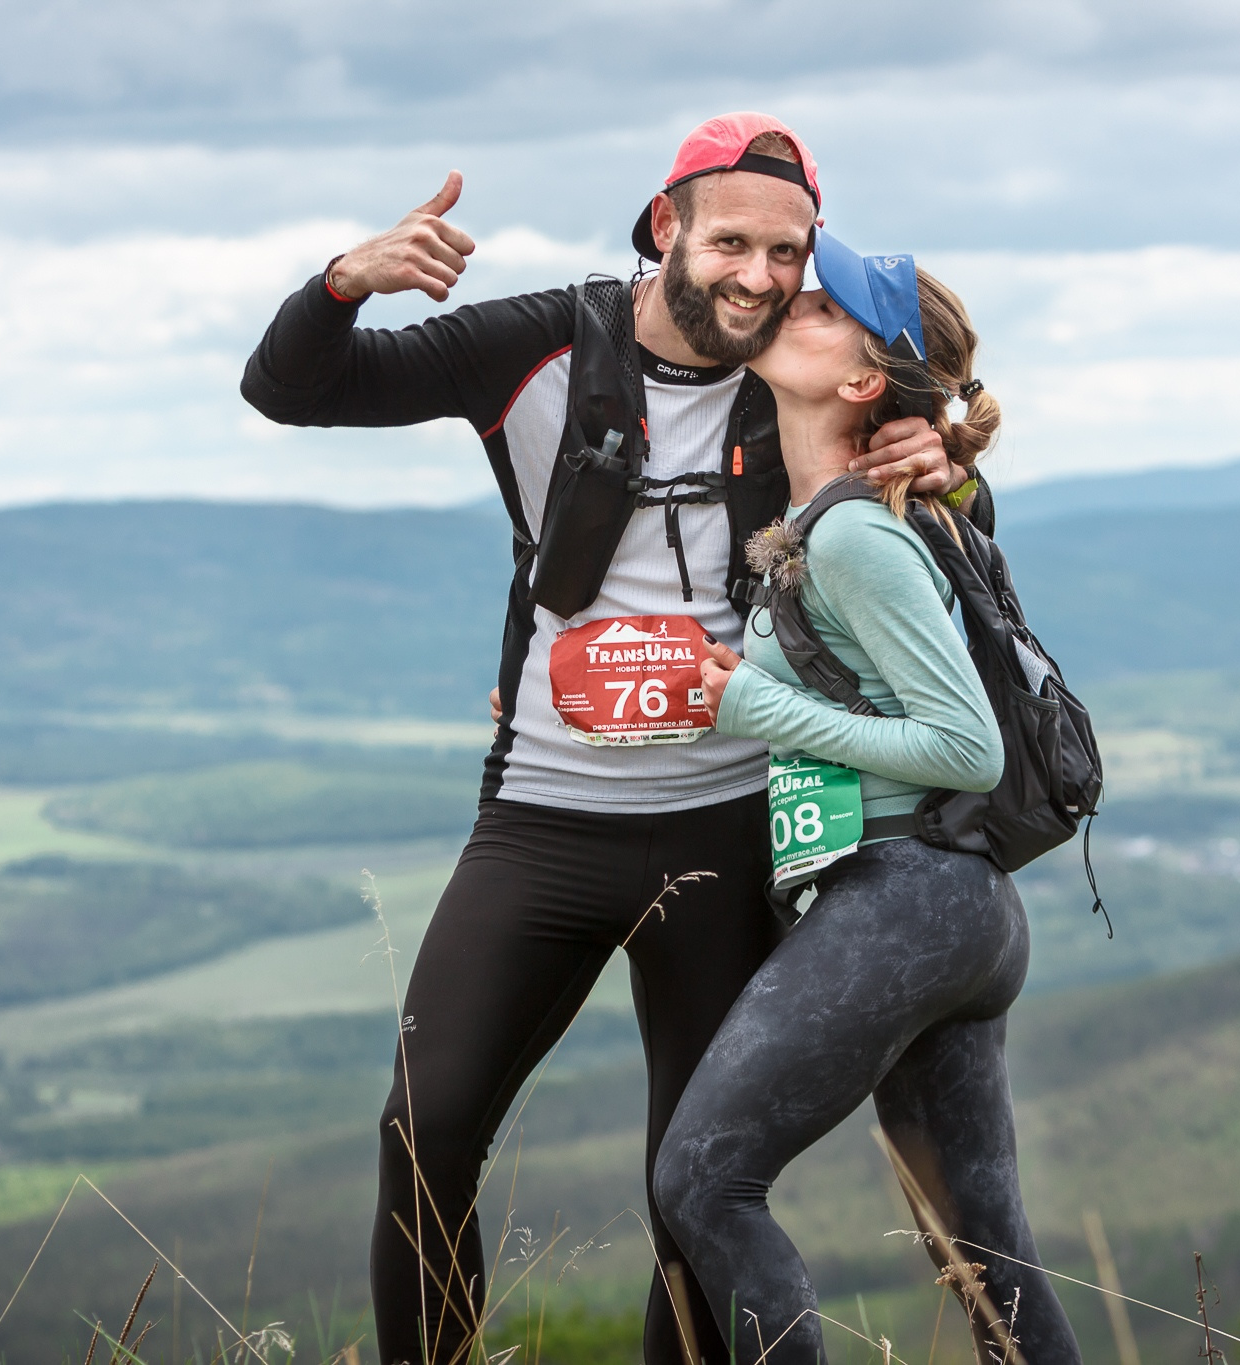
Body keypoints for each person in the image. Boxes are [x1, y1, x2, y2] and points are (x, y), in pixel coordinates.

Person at [239, 114, 976, 1365]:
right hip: (539, 817)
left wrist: (939, 455)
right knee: (424, 1134)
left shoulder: (800, 365)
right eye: (731, 240)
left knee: (688, 1187)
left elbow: (925, 529)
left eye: (786, 252)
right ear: (663, 226)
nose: (758, 275)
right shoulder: (538, 343)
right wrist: (340, 285)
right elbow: (294, 391)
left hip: (730, 826)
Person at [654, 233, 1083, 1365]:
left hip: (903, 896)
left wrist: (750, 704)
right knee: (985, 1250)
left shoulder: (852, 533)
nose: (787, 298)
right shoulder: (836, 515)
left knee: (703, 1180)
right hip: (951, 909)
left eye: (823, 307)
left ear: (858, 381)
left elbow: (963, 746)